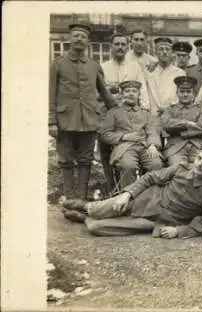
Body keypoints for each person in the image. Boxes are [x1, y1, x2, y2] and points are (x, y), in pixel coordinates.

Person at [63, 144, 202, 239]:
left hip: (156, 220)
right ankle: (86, 207)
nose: (199, 164)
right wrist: (127, 194)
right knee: (101, 209)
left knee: (96, 228)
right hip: (145, 200)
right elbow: (150, 177)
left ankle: (84, 218)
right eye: (199, 158)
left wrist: (179, 231)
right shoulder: (180, 168)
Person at [49, 22, 117, 213]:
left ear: (88, 41)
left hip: (89, 120)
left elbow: (105, 93)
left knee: (86, 159)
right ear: (70, 38)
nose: (79, 39)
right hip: (65, 121)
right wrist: (52, 121)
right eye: (76, 35)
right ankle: (70, 200)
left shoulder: (94, 66)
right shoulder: (58, 64)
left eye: (83, 36)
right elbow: (51, 93)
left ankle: (81, 200)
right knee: (66, 160)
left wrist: (119, 111)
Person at [99, 80, 163, 189]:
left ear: (139, 95)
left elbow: (152, 131)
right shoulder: (114, 112)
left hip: (145, 147)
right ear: (122, 94)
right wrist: (123, 137)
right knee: (128, 166)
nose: (131, 93)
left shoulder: (145, 113)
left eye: (134, 91)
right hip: (124, 148)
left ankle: (152, 196)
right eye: (127, 91)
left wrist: (153, 145)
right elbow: (105, 134)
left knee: (156, 164)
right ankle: (128, 198)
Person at [160, 76, 202, 165]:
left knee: (201, 167)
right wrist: (187, 123)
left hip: (197, 146)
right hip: (175, 147)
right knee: (177, 168)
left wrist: (178, 129)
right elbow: (166, 124)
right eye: (182, 91)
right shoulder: (169, 109)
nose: (185, 94)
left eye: (188, 92)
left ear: (194, 94)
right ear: (177, 93)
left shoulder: (201, 109)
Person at [146, 36, 186, 116]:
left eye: (167, 49)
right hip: (152, 116)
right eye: (161, 49)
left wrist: (169, 109)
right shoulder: (149, 72)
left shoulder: (180, 73)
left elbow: (182, 96)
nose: (164, 52)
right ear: (155, 52)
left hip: (173, 116)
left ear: (171, 52)